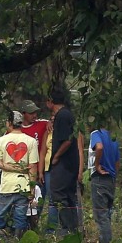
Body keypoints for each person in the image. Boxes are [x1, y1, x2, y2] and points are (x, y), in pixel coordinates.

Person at [0, 111, 39, 238]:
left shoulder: (1, 140)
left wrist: (10, 167)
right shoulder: (31, 141)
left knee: (0, 216)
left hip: (6, 185)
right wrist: (32, 188)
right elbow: (33, 167)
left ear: (9, 123)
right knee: (20, 218)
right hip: (23, 185)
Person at [46, 88, 79, 233]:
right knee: (69, 196)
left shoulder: (63, 116)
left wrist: (57, 156)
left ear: (51, 102)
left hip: (64, 164)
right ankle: (73, 230)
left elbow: (67, 140)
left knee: (59, 195)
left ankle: (67, 229)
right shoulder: (64, 115)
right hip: (70, 164)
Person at [88, 124, 119, 243]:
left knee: (101, 214)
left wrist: (96, 165)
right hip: (110, 178)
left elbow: (99, 147)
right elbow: (117, 161)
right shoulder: (113, 137)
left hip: (99, 177)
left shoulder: (95, 134)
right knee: (107, 214)